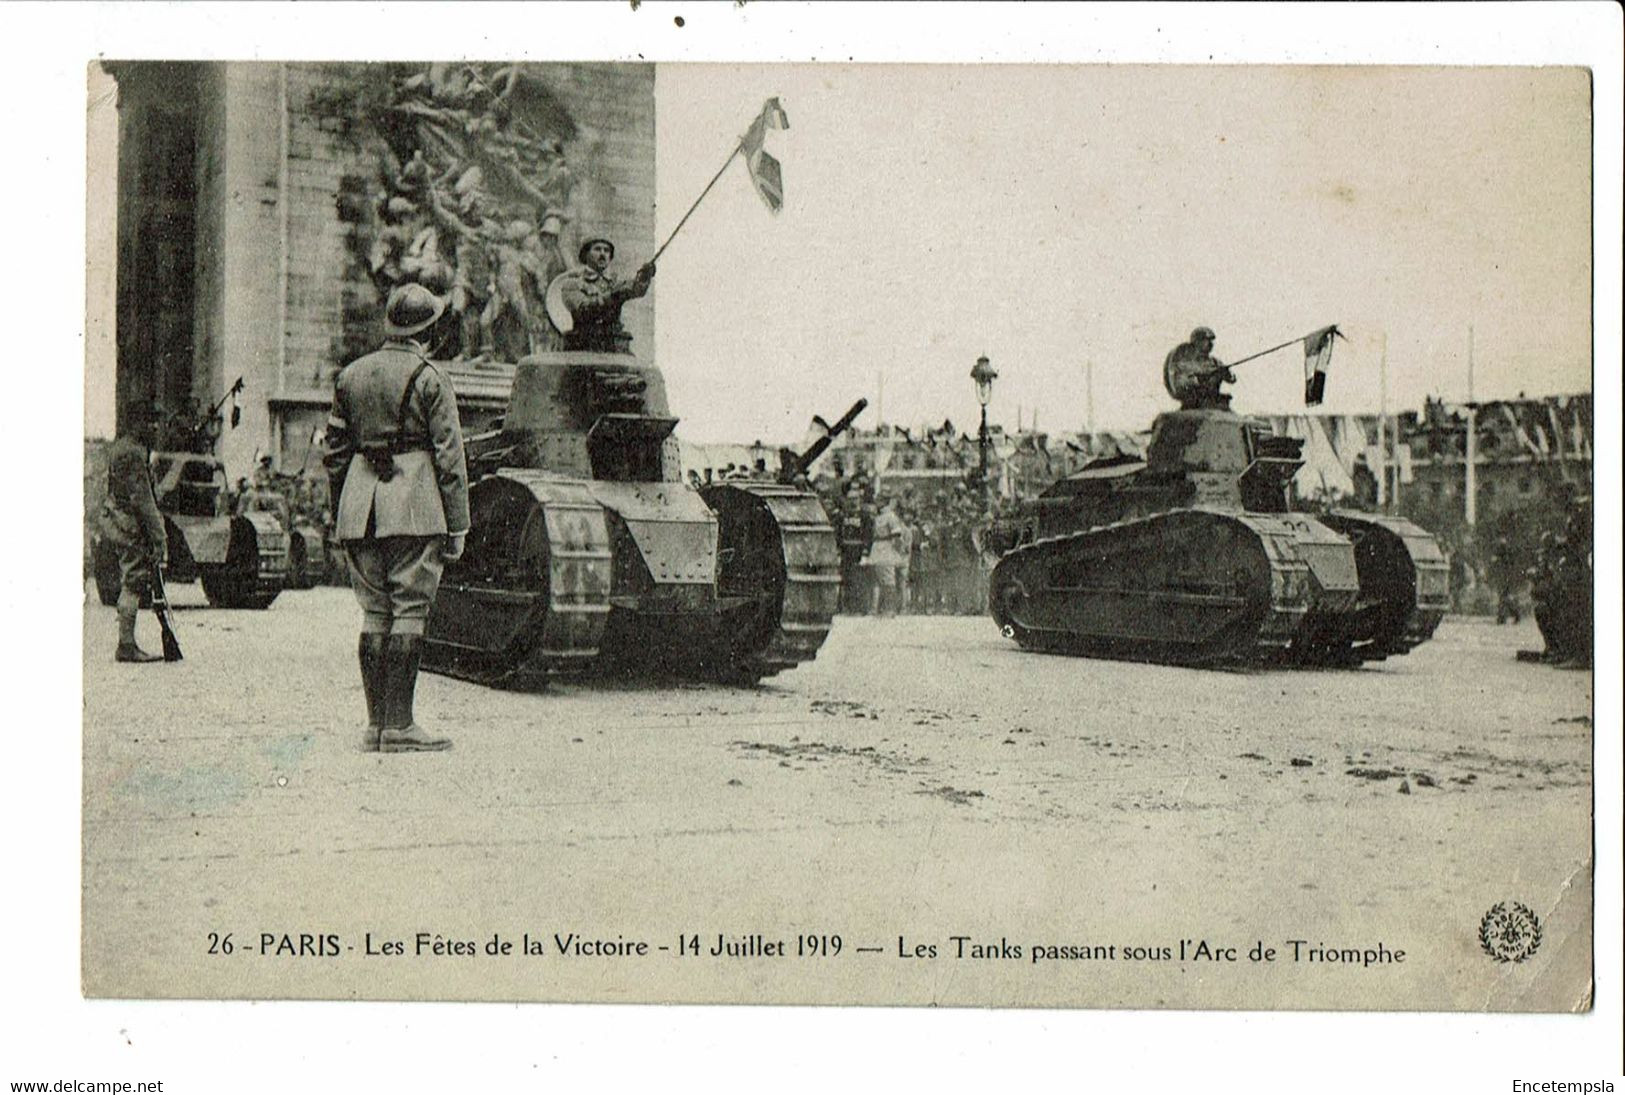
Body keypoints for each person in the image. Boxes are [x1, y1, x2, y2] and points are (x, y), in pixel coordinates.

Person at [324, 283, 470, 753]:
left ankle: (375, 725)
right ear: (429, 330)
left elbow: (334, 454)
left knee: (374, 612)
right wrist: (458, 524)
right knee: (410, 609)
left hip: (359, 504)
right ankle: (401, 726)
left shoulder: (350, 376)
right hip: (414, 503)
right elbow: (450, 458)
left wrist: (340, 514)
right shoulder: (431, 378)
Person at [97, 409, 169, 663]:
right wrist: (159, 535)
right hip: (129, 523)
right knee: (134, 580)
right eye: (149, 422)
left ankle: (127, 643)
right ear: (137, 424)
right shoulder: (133, 452)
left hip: (117, 518)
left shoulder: (122, 448)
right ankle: (126, 646)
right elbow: (142, 499)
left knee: (131, 579)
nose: (154, 428)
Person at [549, 237, 655, 353]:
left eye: (606, 250)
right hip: (584, 346)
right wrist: (613, 296)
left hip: (614, 345)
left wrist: (644, 277)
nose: (602, 254)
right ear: (586, 254)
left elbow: (634, 290)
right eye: (597, 249)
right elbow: (584, 309)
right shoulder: (572, 284)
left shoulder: (615, 283)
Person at [1163, 326, 1235, 410]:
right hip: (1193, 404)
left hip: (1215, 403)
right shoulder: (1187, 363)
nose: (1210, 343)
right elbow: (1180, 383)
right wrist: (1199, 379)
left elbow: (1232, 379)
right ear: (1197, 342)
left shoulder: (1215, 362)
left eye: (1211, 340)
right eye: (1206, 340)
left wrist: (1226, 373)